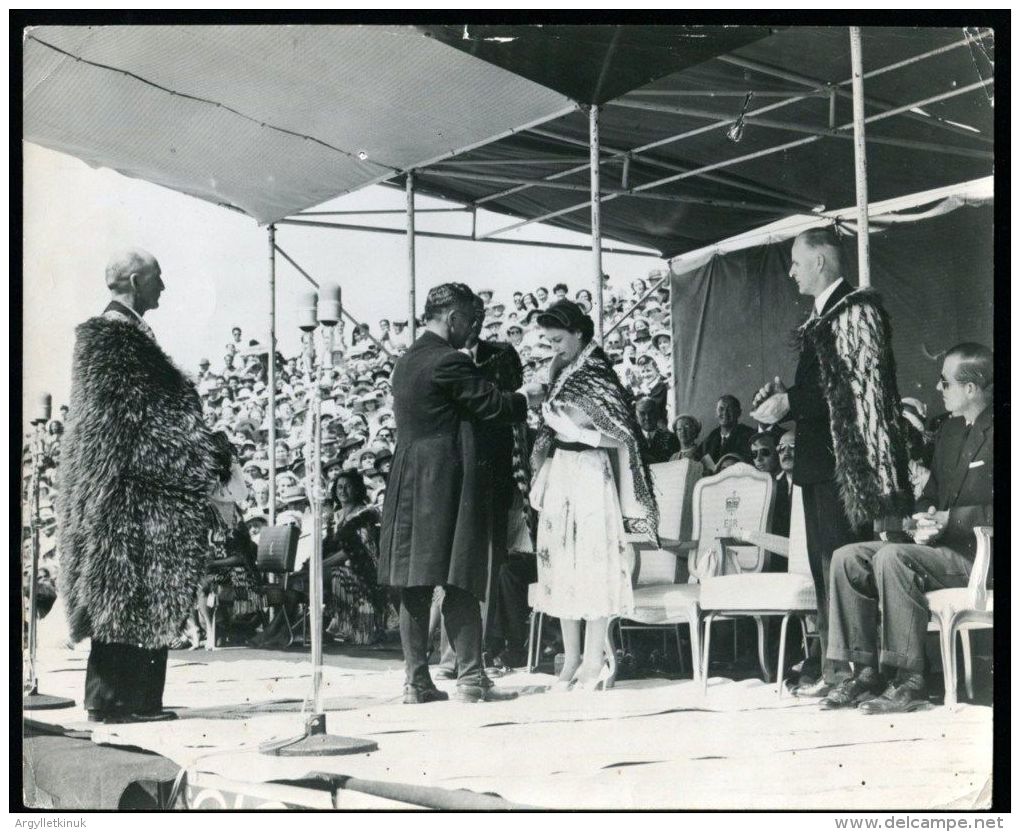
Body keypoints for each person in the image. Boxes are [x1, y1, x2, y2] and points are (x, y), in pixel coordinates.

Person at [752, 227, 912, 697]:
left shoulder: (854, 312)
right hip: (820, 466)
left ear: (820, 262)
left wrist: (790, 402)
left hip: (848, 469)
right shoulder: (824, 316)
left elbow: (852, 390)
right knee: (828, 568)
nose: (791, 272)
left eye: (797, 263)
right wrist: (783, 401)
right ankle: (837, 666)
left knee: (846, 566)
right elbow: (824, 394)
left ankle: (863, 671)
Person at [57, 249, 215, 723]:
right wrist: (194, 446)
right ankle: (123, 701)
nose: (163, 287)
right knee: (130, 591)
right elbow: (132, 418)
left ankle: (115, 698)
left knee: (127, 591)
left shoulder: (120, 336)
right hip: (131, 493)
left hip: (126, 488)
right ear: (134, 280)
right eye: (157, 278)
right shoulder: (115, 338)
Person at [378, 283, 544, 704]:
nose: (474, 331)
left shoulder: (406, 361)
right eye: (471, 322)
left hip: (409, 480)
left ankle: (416, 682)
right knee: (461, 577)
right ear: (452, 319)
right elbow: (496, 406)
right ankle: (472, 679)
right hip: (446, 482)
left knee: (414, 584)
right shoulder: (450, 361)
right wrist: (528, 395)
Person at [821, 343, 993, 713]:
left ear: (971, 388)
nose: (938, 389)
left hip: (981, 556)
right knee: (847, 558)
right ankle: (864, 672)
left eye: (944, 382)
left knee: (893, 558)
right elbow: (929, 494)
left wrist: (952, 520)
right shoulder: (948, 432)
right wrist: (922, 518)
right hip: (939, 549)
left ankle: (909, 679)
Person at [530, 300, 658, 691]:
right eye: (550, 341)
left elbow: (622, 433)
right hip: (563, 473)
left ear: (579, 333)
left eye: (559, 339)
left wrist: (581, 433)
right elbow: (551, 429)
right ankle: (569, 659)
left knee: (592, 563)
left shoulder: (597, 372)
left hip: (589, 471)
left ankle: (593, 660)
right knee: (561, 565)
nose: (555, 348)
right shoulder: (560, 369)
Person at [322, 470, 387, 645]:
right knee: (300, 578)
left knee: (321, 575)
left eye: (348, 486)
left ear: (357, 489)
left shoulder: (364, 515)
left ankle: (343, 625)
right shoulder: (335, 517)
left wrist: (321, 565)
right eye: (340, 487)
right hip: (337, 567)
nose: (342, 491)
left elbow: (355, 551)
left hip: (361, 571)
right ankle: (283, 630)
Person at [699, 395, 756, 466]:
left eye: (730, 409)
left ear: (739, 413)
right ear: (716, 413)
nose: (725, 413)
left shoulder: (750, 436)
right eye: (721, 409)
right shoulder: (709, 440)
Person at [636, 396, 680, 464]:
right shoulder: (633, 438)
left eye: (650, 413)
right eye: (642, 413)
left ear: (657, 414)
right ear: (636, 417)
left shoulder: (671, 438)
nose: (647, 417)